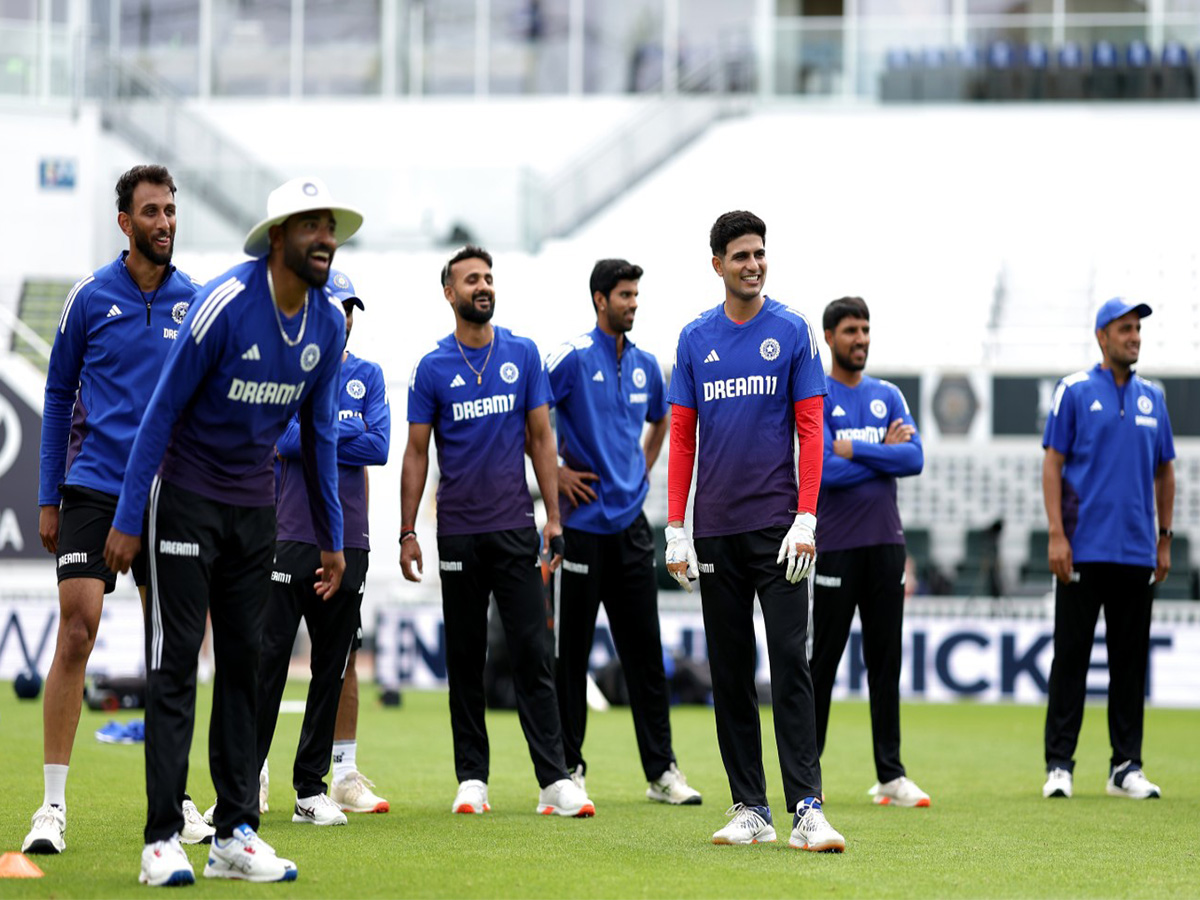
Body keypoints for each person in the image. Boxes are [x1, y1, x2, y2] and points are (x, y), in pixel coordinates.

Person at [103, 176, 358, 885]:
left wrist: (332, 540)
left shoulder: (330, 325)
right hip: (183, 500)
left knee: (246, 672)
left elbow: (321, 438)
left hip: (256, 513)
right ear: (279, 236)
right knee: (176, 662)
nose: (327, 239)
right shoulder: (225, 303)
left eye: (331, 227)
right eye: (312, 226)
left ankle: (233, 834)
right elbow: (158, 412)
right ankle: (161, 839)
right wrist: (127, 518)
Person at [26, 164, 214, 856]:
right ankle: (51, 806)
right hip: (96, 486)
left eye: (171, 210)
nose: (165, 222)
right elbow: (54, 395)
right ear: (125, 223)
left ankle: (177, 799)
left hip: (169, 494)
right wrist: (49, 496)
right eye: (152, 212)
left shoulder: (196, 301)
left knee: (175, 652)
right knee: (78, 630)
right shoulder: (88, 299)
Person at [664, 210, 845, 853]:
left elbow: (811, 428)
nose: (753, 263)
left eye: (760, 253)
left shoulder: (792, 331)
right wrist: (677, 526)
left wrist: (806, 516)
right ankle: (751, 808)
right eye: (740, 255)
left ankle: (807, 808)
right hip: (715, 533)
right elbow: (682, 434)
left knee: (791, 665)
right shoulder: (694, 339)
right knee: (730, 671)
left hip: (779, 531)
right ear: (717, 264)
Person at [400, 244, 595, 819]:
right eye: (470, 279)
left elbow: (542, 440)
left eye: (487, 277)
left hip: (515, 529)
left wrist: (554, 517)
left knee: (536, 652)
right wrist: (407, 530)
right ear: (449, 293)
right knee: (466, 657)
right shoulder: (431, 366)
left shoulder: (523, 353)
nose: (482, 285)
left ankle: (554, 780)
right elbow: (415, 453)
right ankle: (472, 779)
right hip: (457, 533)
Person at [545, 258, 701, 805]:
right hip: (582, 527)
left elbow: (664, 419)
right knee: (573, 655)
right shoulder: (568, 358)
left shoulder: (645, 366)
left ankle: (662, 773)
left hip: (632, 527)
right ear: (599, 299)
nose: (633, 303)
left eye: (637, 295)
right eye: (625, 296)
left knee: (645, 654)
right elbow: (529, 415)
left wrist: (642, 466)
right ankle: (568, 767)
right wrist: (555, 474)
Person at [256, 269, 390, 826]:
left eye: (352, 308)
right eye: (338, 306)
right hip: (288, 535)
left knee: (332, 668)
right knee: (265, 664)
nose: (347, 317)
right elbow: (278, 438)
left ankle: (310, 788)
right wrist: (338, 435)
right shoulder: (285, 369)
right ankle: (248, 777)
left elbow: (379, 446)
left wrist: (317, 435)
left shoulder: (368, 374)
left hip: (350, 540)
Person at [1040, 297, 1175, 801]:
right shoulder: (1073, 391)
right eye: (1125, 329)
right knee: (1070, 658)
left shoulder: (1153, 398)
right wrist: (1057, 534)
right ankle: (1059, 765)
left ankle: (1126, 765)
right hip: (1081, 547)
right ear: (1102, 336)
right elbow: (1052, 464)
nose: (1134, 337)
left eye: (1138, 329)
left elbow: (1166, 470)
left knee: (1129, 662)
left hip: (1138, 550)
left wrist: (1165, 538)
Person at [810, 296, 930, 808]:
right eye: (850, 331)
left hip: (886, 546)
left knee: (886, 662)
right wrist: (886, 454)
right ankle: (804, 774)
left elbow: (915, 458)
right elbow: (821, 471)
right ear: (830, 337)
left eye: (865, 330)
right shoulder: (818, 396)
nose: (860, 339)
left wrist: (857, 448)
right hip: (835, 547)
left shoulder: (888, 395)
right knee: (824, 666)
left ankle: (891, 776)